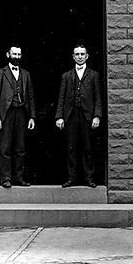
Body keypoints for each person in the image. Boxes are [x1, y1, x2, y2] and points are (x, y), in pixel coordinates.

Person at [55, 44, 103, 187]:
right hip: (71, 116)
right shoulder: (66, 76)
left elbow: (98, 98)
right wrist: (59, 117)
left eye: (82, 54)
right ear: (73, 56)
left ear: (87, 56)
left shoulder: (93, 75)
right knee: (71, 148)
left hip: (88, 116)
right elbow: (61, 97)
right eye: (77, 54)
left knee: (88, 148)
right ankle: (72, 178)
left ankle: (89, 178)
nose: (80, 57)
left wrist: (97, 116)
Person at [0, 45, 35, 188]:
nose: (17, 57)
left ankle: (19, 178)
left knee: (20, 147)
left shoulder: (26, 74)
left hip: (21, 112)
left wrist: (32, 117)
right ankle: (6, 178)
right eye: (14, 54)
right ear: (8, 55)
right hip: (6, 114)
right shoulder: (0, 73)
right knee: (5, 147)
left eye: (19, 54)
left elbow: (31, 97)